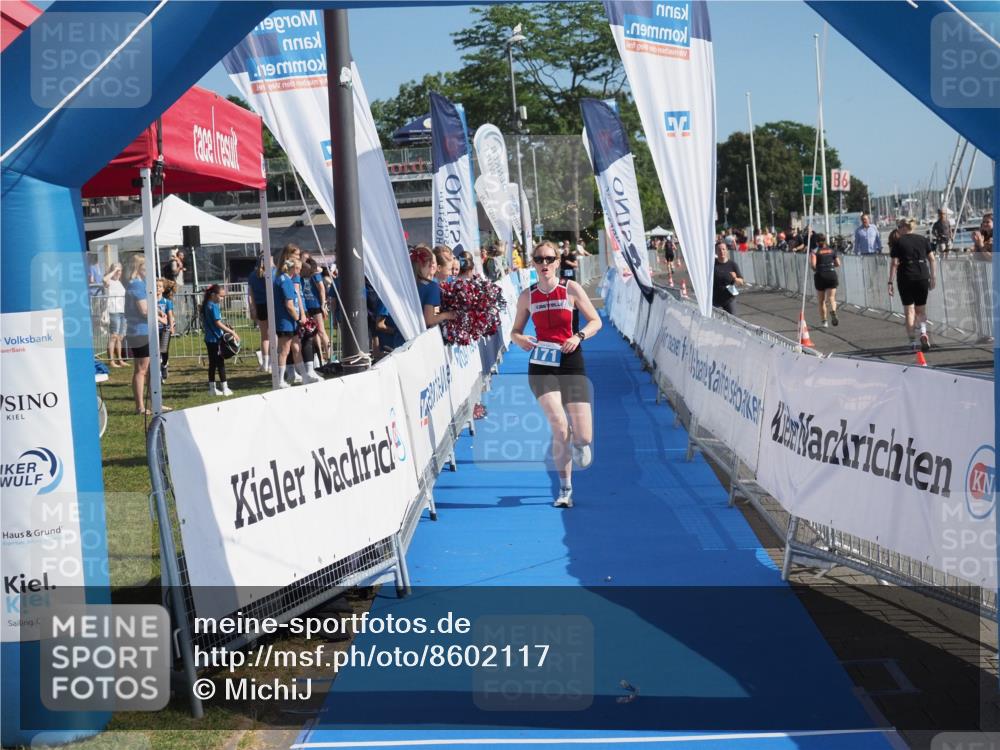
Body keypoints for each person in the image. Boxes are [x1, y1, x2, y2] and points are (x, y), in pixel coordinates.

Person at [510, 241, 603, 509]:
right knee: (559, 427)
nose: (544, 264)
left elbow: (596, 320)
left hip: (571, 360)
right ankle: (565, 489)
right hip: (541, 364)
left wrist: (578, 335)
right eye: (539, 259)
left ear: (558, 262)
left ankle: (578, 438)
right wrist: (520, 339)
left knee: (584, 437)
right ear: (533, 263)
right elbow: (514, 331)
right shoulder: (527, 295)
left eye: (549, 259)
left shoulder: (570, 289)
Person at [888, 218, 936, 352]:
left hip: (906, 276)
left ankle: (912, 342)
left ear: (903, 227)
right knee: (921, 309)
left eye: (899, 227)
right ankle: (923, 332)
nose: (898, 229)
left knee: (909, 311)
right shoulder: (923, 240)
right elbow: (932, 259)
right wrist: (933, 277)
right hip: (922, 274)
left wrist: (890, 282)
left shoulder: (898, 242)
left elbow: (894, 263)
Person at [123, 255, 158, 414]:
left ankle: (154, 403)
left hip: (142, 330)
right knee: (141, 369)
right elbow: (144, 310)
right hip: (139, 331)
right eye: (145, 268)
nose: (148, 272)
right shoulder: (136, 285)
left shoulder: (139, 284)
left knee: (150, 369)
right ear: (138, 268)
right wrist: (158, 316)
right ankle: (140, 407)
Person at [273, 256, 309, 388]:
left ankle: (305, 376)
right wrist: (298, 319)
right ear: (293, 268)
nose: (299, 271)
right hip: (286, 321)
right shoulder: (285, 281)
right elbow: (289, 304)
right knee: (284, 350)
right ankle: (279, 380)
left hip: (289, 321)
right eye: (298, 268)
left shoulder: (283, 279)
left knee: (296, 347)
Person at [202, 285, 239, 396]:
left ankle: (212, 388)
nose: (222, 298)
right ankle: (225, 388)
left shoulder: (205, 305)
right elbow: (217, 323)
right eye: (221, 296)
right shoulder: (214, 306)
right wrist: (232, 332)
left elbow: (214, 322)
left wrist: (225, 326)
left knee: (212, 364)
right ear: (213, 295)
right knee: (220, 364)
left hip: (209, 338)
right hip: (216, 339)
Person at [411, 245, 457, 328]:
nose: (451, 273)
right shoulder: (432, 287)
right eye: (450, 269)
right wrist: (447, 315)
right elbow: (429, 320)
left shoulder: (411, 283)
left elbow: (435, 310)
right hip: (419, 336)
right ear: (432, 266)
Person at [301, 256, 330, 364]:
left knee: (321, 331)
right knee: (313, 333)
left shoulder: (315, 275)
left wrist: (323, 304)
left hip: (316, 305)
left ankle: (330, 356)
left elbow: (322, 289)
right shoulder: (303, 276)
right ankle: (320, 357)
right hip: (307, 306)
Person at [247, 255, 272, 372]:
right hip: (271, 305)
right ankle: (272, 363)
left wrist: (252, 308)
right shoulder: (272, 273)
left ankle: (265, 364)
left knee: (264, 336)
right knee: (274, 335)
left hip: (260, 306)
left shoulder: (252, 275)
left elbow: (250, 294)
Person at [810, 234, 840, 328]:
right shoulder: (832, 250)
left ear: (817, 242)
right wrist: (830, 266)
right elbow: (838, 263)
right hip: (831, 274)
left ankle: (824, 321)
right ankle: (833, 311)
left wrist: (816, 269)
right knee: (831, 297)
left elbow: (813, 265)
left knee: (821, 300)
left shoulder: (815, 251)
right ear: (825, 241)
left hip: (820, 275)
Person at [103, 263, 127, 368]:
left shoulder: (119, 282)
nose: (118, 272)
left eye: (120, 270)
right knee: (113, 336)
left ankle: (120, 359)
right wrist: (113, 270)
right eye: (116, 270)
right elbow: (104, 280)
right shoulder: (110, 281)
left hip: (122, 311)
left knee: (120, 337)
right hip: (113, 311)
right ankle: (111, 361)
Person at [711, 241, 745, 315]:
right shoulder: (712, 264)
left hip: (729, 298)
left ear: (726, 250)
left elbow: (741, 281)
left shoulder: (732, 265)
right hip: (715, 298)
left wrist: (735, 278)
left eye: (723, 249)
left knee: (733, 320)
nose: (721, 251)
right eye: (719, 250)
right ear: (716, 252)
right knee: (714, 321)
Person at [157, 279, 176, 381]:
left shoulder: (167, 302)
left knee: (164, 350)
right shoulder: (150, 302)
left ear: (163, 289)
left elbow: (170, 315)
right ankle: (157, 372)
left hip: (165, 329)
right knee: (156, 351)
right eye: (155, 286)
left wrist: (171, 328)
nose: (157, 288)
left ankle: (164, 365)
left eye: (159, 286)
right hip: (153, 330)